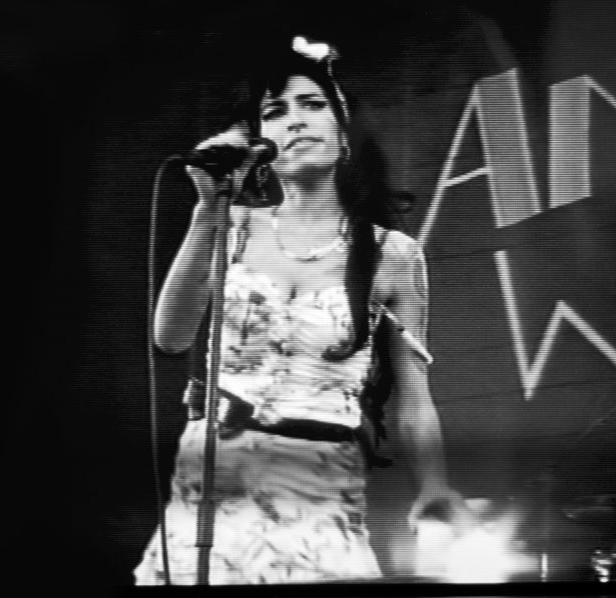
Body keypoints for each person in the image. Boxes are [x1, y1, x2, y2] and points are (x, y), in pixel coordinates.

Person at [134, 35, 471, 585]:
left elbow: (414, 396)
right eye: (275, 112)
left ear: (344, 131)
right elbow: (170, 336)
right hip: (213, 479)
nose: (294, 120)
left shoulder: (392, 255)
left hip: (317, 480)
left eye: (312, 104)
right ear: (258, 141)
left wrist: (434, 487)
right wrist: (208, 206)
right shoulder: (230, 225)